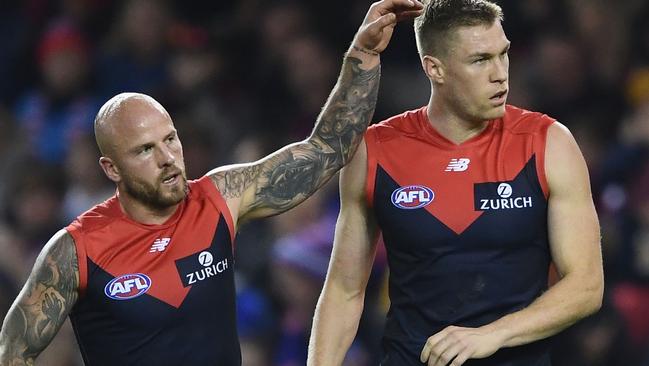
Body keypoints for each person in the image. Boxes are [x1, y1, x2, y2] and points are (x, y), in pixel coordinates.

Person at [0, 1, 425, 365]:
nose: (168, 159)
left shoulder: (221, 198)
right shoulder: (77, 250)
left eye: (170, 140)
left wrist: (362, 58)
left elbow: (328, 149)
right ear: (111, 169)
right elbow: (13, 350)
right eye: (145, 150)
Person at [308, 1, 604, 365]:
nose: (500, 74)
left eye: (504, 54)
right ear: (435, 68)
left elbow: (587, 285)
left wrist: (492, 334)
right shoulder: (375, 151)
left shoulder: (547, 143)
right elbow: (344, 289)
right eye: (480, 60)